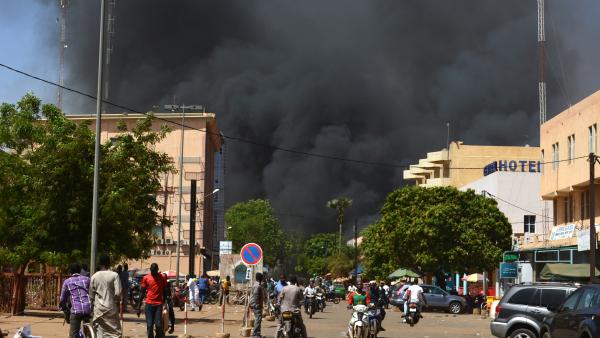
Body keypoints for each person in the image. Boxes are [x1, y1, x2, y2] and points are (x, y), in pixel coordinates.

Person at [90, 253, 122, 338]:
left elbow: (91, 295)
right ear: (109, 263)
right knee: (115, 333)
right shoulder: (114, 275)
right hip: (111, 307)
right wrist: (116, 302)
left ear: (100, 263)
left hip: (99, 309)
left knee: (100, 332)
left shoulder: (94, 276)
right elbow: (118, 293)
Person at [60, 262, 92, 338]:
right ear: (80, 270)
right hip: (89, 308)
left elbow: (62, 298)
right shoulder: (87, 279)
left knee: (73, 335)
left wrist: (62, 307)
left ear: (70, 271)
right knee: (89, 324)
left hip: (76, 310)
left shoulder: (67, 282)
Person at [140, 263, 167, 338]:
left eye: (155, 271)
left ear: (157, 270)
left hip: (158, 304)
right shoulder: (146, 278)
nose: (153, 273)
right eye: (152, 271)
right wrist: (138, 307)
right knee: (149, 325)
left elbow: (165, 290)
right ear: (150, 270)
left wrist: (165, 302)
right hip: (149, 305)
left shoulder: (162, 277)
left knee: (158, 325)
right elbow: (142, 292)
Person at [249, 272, 265, 338]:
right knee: (258, 319)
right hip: (256, 304)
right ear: (260, 278)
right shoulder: (257, 286)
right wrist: (257, 305)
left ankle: (257, 333)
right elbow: (256, 296)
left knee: (258, 318)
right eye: (262, 277)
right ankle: (255, 334)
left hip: (256, 304)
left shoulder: (257, 284)